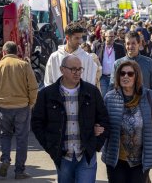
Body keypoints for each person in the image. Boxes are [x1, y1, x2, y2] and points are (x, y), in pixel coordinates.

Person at [31, 55, 110, 183]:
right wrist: (50, 145)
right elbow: (37, 123)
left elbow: (104, 119)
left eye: (80, 69)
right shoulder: (47, 94)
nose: (77, 73)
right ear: (62, 70)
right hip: (62, 156)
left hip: (86, 155)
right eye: (73, 69)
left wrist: (96, 144)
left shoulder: (92, 92)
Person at [102, 61, 152, 183]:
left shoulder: (151, 96)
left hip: (141, 159)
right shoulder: (110, 98)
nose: (125, 76)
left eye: (130, 74)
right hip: (115, 159)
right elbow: (103, 124)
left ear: (137, 76)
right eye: (122, 73)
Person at [0, 41, 39, 179]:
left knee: (5, 135)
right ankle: (19, 171)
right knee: (22, 139)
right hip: (22, 107)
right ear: (16, 52)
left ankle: (5, 159)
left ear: (3, 52)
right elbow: (33, 87)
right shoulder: (24, 66)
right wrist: (31, 103)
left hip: (4, 107)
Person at [94, 29, 126, 97]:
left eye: (113, 36)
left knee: (114, 96)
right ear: (105, 37)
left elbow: (124, 61)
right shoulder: (98, 46)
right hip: (103, 77)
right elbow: (94, 60)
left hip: (115, 77)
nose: (112, 38)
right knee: (103, 96)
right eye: (109, 36)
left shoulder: (119, 47)